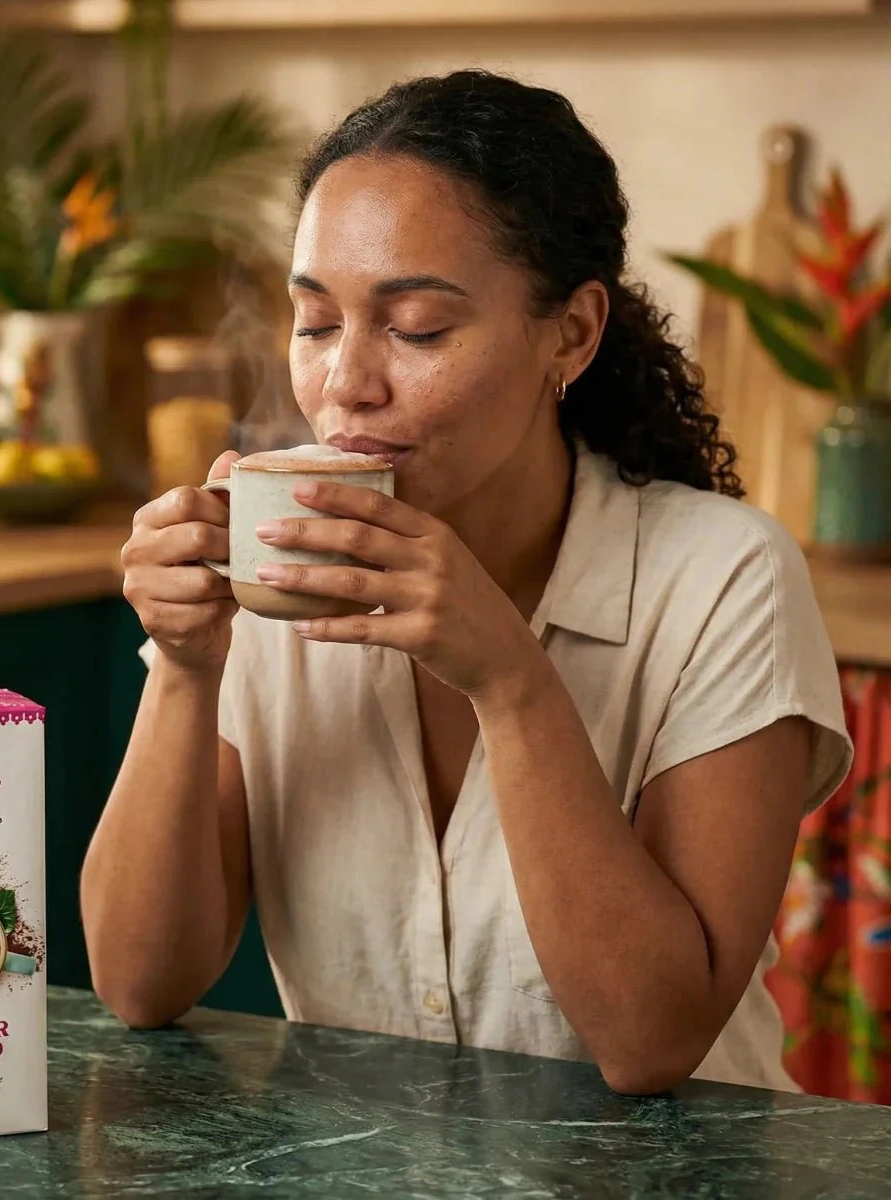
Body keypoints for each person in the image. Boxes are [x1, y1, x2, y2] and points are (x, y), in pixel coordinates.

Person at [82, 70, 852, 1094]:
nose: (346, 384)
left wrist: (512, 680)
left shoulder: (724, 578)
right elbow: (140, 983)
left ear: (571, 333)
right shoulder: (278, 567)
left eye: (416, 328)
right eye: (316, 323)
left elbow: (652, 1042)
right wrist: (187, 667)